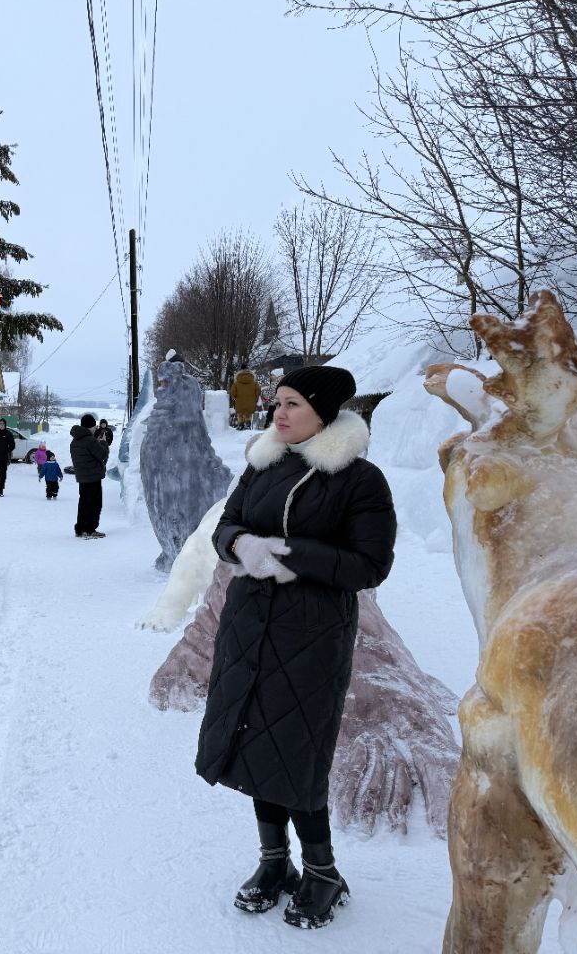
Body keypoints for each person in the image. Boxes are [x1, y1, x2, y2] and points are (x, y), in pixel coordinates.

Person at [195, 365, 396, 930]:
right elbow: (225, 525)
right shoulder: (265, 462)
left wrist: (286, 553)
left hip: (311, 635)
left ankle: (324, 872)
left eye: (293, 405)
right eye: (277, 404)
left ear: (324, 412)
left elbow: (370, 565)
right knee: (254, 743)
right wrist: (241, 544)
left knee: (297, 751)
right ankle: (274, 862)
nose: (279, 414)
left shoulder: (359, 480)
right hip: (249, 626)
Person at [69, 413, 109, 539]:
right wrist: (103, 443)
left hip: (82, 477)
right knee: (95, 503)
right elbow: (102, 455)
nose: (95, 428)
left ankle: (80, 528)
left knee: (84, 502)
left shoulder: (74, 441)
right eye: (94, 426)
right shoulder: (90, 440)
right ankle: (90, 529)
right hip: (93, 477)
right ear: (90, 426)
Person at [229, 365, 262, 430]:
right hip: (251, 402)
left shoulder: (236, 383)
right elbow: (258, 391)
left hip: (239, 402)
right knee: (248, 413)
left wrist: (234, 398)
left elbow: (232, 392)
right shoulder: (254, 382)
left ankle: (241, 424)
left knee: (240, 414)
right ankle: (248, 424)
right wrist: (255, 398)